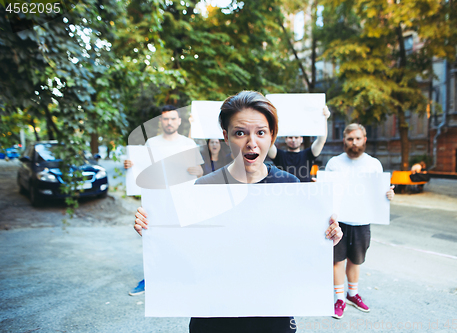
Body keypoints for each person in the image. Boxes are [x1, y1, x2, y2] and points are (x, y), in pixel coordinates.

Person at [133, 91, 343, 333]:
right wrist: (153, 229)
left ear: (272, 136)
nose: (251, 142)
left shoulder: (290, 187)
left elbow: (300, 250)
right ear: (226, 136)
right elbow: (184, 248)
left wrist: (327, 236)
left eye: (261, 132)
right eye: (240, 133)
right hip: (214, 315)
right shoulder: (204, 188)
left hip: (273, 314)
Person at [124, 104, 204, 296]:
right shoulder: (151, 143)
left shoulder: (188, 143)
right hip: (157, 199)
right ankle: (150, 279)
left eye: (173, 118)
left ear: (179, 121)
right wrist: (130, 165)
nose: (169, 122)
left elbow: (200, 171)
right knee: (154, 236)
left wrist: (196, 171)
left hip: (182, 199)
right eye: (165, 119)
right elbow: (140, 167)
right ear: (161, 121)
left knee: (183, 236)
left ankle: (184, 276)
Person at [324, 123, 394, 319]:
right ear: (344, 141)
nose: (353, 143)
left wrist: (388, 194)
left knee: (356, 260)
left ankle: (352, 295)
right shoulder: (334, 164)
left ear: (364, 140)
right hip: (338, 222)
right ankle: (339, 299)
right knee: (337, 260)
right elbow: (327, 193)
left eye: (357, 138)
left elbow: (379, 194)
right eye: (349, 139)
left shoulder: (374, 164)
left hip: (362, 221)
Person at [267, 106, 330, 182]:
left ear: (301, 139)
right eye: (290, 137)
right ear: (286, 139)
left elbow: (321, 141)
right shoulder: (279, 155)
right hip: (284, 191)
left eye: (296, 137)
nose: (293, 140)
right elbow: (268, 143)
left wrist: (324, 119)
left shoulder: (308, 154)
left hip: (304, 192)